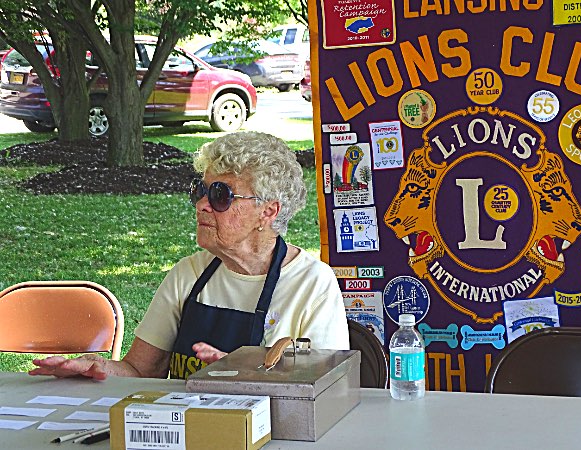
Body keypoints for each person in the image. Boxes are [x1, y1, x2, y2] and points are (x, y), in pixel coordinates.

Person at [29, 131, 349, 380]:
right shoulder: (189, 274)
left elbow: (324, 388)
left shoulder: (311, 285)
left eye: (221, 196)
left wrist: (250, 376)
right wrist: (96, 368)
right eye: (201, 191)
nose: (202, 205)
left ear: (267, 212)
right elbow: (141, 371)